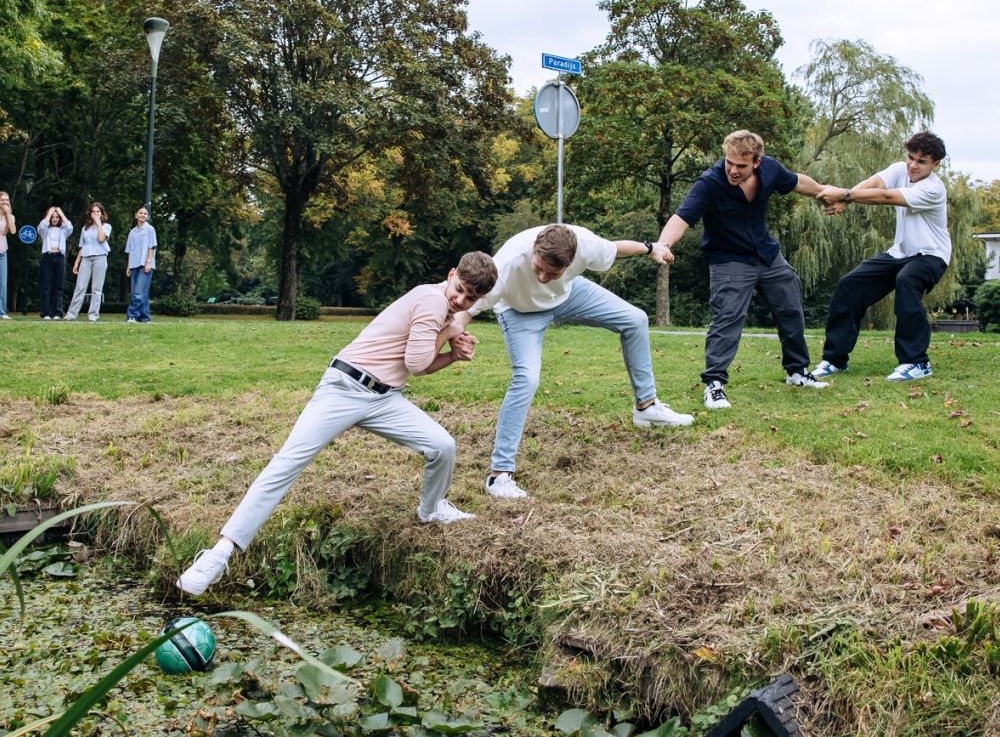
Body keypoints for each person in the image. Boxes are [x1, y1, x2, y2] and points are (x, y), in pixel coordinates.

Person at [176, 252, 499, 596]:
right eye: (459, 289)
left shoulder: (447, 308)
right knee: (287, 462)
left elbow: (423, 361)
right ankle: (220, 553)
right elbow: (417, 363)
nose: (460, 299)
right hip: (345, 388)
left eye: (470, 298)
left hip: (384, 398)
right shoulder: (432, 300)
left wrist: (453, 354)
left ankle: (430, 510)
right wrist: (450, 333)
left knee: (442, 445)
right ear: (450, 274)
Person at [453, 223, 694, 502]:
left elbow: (616, 248)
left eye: (552, 273)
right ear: (534, 250)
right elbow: (466, 309)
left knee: (636, 319)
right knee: (527, 378)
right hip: (519, 311)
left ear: (571, 261)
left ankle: (647, 407)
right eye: (538, 267)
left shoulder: (585, 244)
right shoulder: (506, 264)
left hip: (567, 296)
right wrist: (454, 337)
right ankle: (499, 475)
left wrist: (652, 248)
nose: (542, 277)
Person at [657, 130, 830, 410]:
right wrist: (663, 244)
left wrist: (824, 193)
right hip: (729, 259)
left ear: (756, 162)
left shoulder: (770, 169)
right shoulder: (710, 182)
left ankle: (797, 372)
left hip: (766, 254)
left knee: (790, 309)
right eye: (729, 162)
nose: (733, 170)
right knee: (727, 318)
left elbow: (797, 181)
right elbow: (682, 217)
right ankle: (714, 385)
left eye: (741, 165)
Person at [812, 131, 949, 382]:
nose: (913, 165)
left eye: (921, 162)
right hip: (900, 253)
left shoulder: (933, 189)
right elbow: (873, 184)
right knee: (850, 285)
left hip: (931, 255)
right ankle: (834, 360)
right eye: (910, 157)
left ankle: (917, 363)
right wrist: (845, 199)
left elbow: (885, 197)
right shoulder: (900, 170)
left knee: (907, 280)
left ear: (935, 164)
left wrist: (844, 195)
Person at [65, 202, 112, 322]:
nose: (95, 213)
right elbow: (82, 246)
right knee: (80, 286)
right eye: (93, 211)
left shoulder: (106, 226)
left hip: (100, 257)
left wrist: (98, 223)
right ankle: (71, 314)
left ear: (101, 214)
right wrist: (77, 262)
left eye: (98, 212)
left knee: (96, 288)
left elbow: (101, 239)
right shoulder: (84, 229)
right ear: (90, 213)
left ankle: (93, 315)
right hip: (86, 258)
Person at [38, 206, 74, 320]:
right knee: (46, 286)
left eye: (57, 217)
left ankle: (57, 312)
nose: (54, 219)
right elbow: (41, 226)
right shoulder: (45, 230)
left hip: (60, 257)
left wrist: (60, 212)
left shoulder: (63, 230)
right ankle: (46, 313)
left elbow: (70, 226)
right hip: (47, 257)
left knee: (58, 286)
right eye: (53, 217)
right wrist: (49, 213)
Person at [124, 206, 156, 323]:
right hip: (134, 265)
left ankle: (132, 315)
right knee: (139, 293)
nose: (143, 215)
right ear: (136, 215)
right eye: (141, 213)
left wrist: (148, 262)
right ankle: (144, 317)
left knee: (138, 292)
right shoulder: (132, 232)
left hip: (145, 265)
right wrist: (128, 266)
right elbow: (130, 250)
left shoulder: (150, 229)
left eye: (145, 214)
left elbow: (152, 247)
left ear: (147, 217)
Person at [0, 191, 15, 320]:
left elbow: (12, 231)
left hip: (2, 252)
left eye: (6, 200)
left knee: (3, 284)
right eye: (2, 200)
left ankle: (2, 312)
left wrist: (8, 215)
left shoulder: (10, 216)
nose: (5, 202)